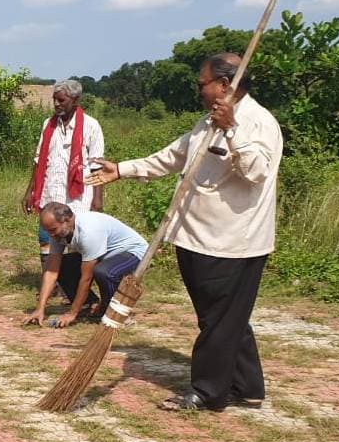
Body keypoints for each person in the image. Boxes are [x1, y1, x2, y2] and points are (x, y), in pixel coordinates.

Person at [87, 53, 282, 411]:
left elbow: (256, 172)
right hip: (194, 236)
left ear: (224, 85)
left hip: (230, 243)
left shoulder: (257, 123)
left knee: (218, 321)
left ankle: (208, 393)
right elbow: (174, 156)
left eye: (201, 84)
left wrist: (232, 129)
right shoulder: (207, 122)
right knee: (224, 318)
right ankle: (247, 386)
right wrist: (122, 169)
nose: (198, 90)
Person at [22, 79, 105, 299]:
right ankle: (51, 285)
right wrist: (30, 191)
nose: (57, 105)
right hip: (50, 192)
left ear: (75, 100)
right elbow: (39, 160)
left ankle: (80, 291)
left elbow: (98, 165)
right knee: (46, 236)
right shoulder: (48, 125)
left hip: (78, 196)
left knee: (77, 243)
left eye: (61, 100)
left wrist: (97, 201)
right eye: (54, 100)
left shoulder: (91, 126)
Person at [22, 203, 147, 328]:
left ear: (68, 220)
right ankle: (88, 305)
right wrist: (40, 308)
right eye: (48, 231)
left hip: (134, 252)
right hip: (105, 254)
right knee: (63, 266)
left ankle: (117, 314)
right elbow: (51, 271)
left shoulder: (88, 231)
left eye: (53, 230)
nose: (51, 235)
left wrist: (72, 313)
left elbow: (86, 279)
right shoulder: (58, 234)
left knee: (103, 272)